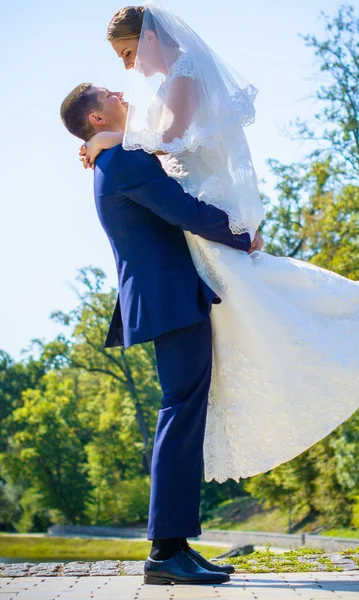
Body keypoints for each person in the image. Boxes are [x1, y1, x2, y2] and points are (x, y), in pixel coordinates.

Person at [79, 3, 359, 486]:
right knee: (252, 311)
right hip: (195, 220)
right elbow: (153, 139)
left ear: (151, 38)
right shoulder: (164, 86)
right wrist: (111, 137)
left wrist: (111, 138)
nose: (127, 66)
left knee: (263, 301)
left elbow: (168, 142)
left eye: (129, 52)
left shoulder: (184, 73)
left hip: (203, 213)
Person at [60, 83, 262, 584]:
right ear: (94, 118)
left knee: (184, 412)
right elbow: (185, 212)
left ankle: (176, 546)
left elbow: (154, 148)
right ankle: (162, 553)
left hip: (168, 298)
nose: (117, 89)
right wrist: (244, 236)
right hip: (169, 299)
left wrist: (106, 142)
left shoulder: (117, 156)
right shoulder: (122, 164)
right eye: (105, 94)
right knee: (179, 412)